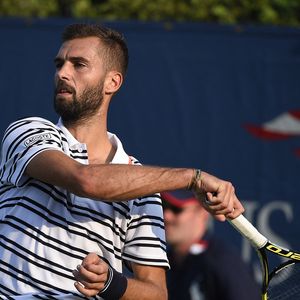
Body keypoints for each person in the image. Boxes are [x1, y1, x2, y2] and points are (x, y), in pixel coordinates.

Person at [0, 23, 244, 300]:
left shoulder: (141, 187)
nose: (62, 73)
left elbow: (156, 293)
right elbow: (87, 180)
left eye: (78, 64)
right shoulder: (27, 132)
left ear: (112, 82)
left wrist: (111, 283)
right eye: (59, 64)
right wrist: (192, 177)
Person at [161, 189, 261, 300]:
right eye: (163, 207)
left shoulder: (223, 262)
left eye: (177, 209)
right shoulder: (162, 262)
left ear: (202, 212)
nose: (166, 216)